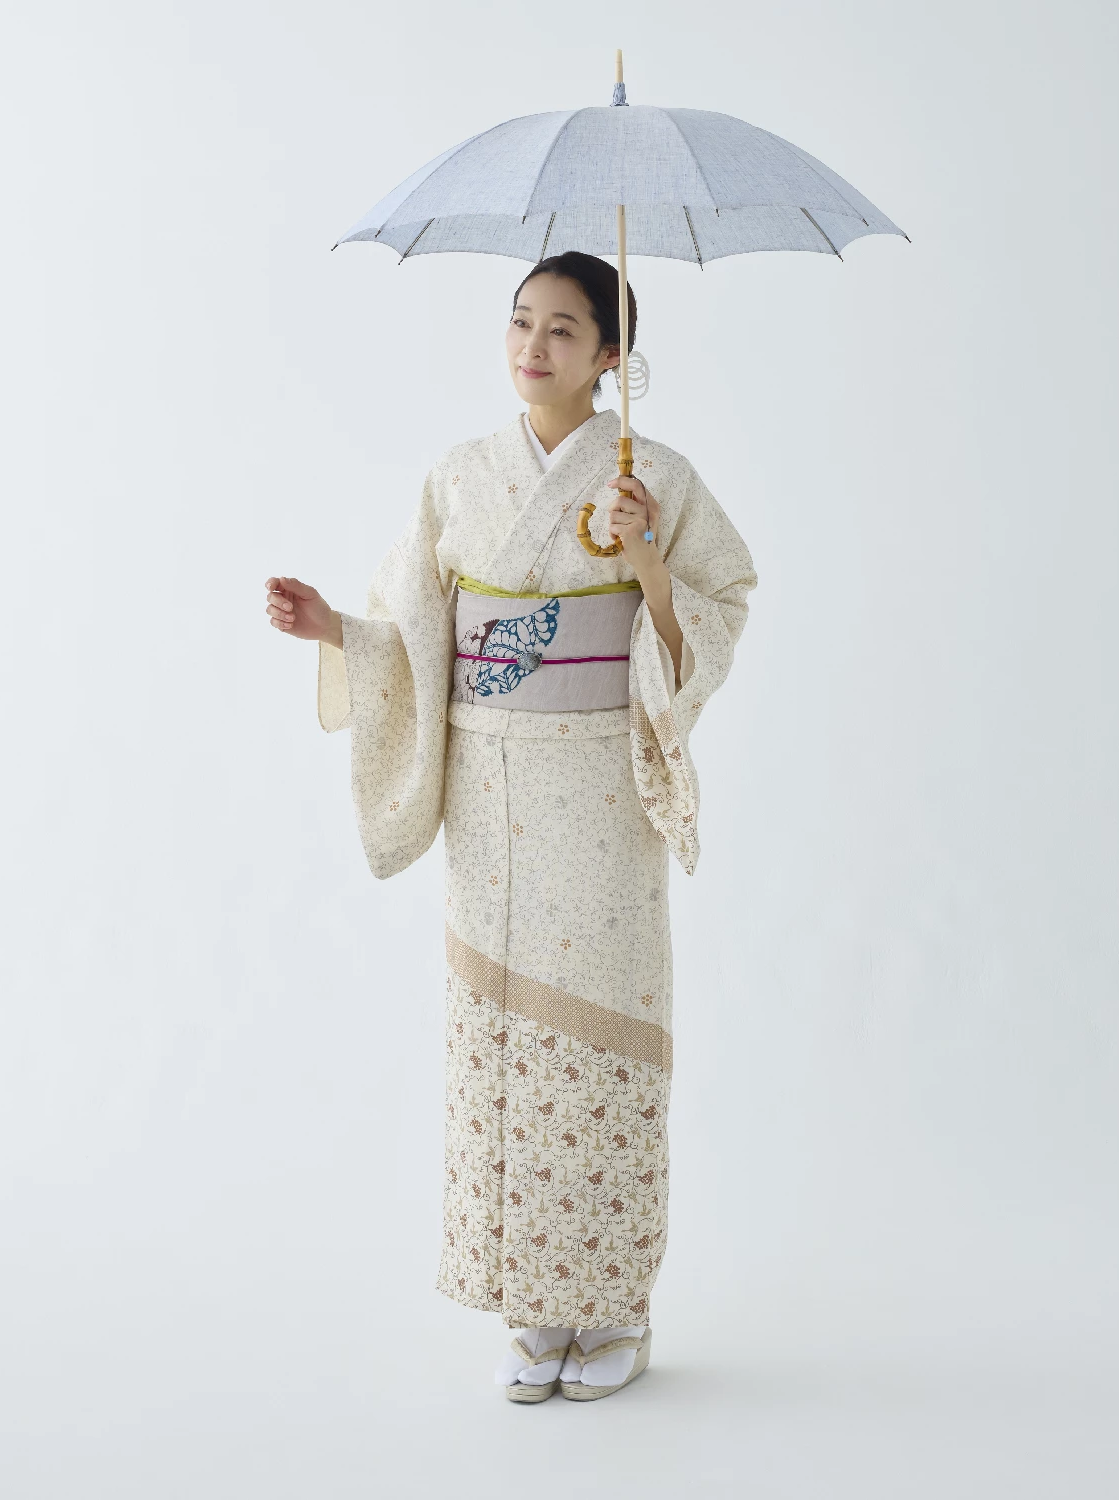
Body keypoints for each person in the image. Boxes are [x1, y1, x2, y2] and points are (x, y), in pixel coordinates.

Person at [265, 250, 757, 1402]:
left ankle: (615, 1305)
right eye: (520, 322)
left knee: (599, 1039)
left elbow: (720, 607)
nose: (533, 346)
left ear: (612, 357)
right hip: (488, 791)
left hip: (597, 788)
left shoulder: (657, 478)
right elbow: (416, 632)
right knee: (498, 1041)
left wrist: (645, 556)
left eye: (564, 329)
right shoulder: (459, 476)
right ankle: (535, 1306)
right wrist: (337, 628)